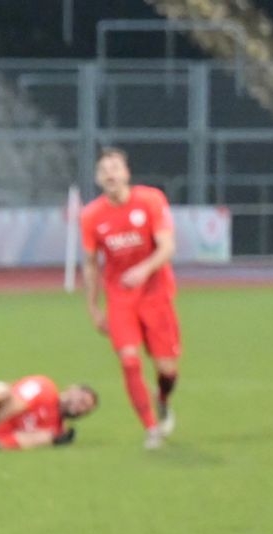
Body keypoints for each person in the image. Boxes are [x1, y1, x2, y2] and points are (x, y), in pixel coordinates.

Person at [80, 147, 181, 449]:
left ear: (126, 173)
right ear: (98, 179)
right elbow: (90, 265)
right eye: (103, 170)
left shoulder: (150, 200)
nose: (109, 174)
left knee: (167, 370)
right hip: (121, 297)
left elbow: (167, 247)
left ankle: (162, 399)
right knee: (129, 361)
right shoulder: (91, 216)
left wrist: (143, 269)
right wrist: (93, 308)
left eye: (115, 167)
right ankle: (151, 428)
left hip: (156, 294)